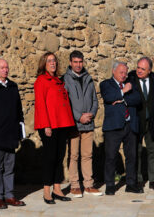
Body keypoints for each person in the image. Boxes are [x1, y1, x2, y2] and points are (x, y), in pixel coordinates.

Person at [0, 58, 26, 209]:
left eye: (6, 67)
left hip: (11, 134)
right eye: (2, 68)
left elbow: (18, 110)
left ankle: (9, 195)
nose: (5, 70)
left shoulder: (13, 86)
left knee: (9, 167)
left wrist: (20, 129)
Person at [34, 51, 76, 204]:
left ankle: (57, 188)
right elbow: (40, 104)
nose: (53, 63)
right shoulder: (41, 81)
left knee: (59, 157)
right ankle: (47, 190)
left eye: (54, 61)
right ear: (44, 64)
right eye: (49, 61)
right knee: (50, 158)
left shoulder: (58, 80)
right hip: (49, 125)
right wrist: (46, 125)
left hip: (61, 124)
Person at [63, 50, 102, 197]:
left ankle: (88, 185)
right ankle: (74, 185)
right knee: (74, 155)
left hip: (88, 123)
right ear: (70, 63)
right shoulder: (65, 79)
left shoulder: (88, 78)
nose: (78, 65)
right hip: (74, 124)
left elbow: (95, 100)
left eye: (80, 62)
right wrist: (79, 117)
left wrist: (91, 114)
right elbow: (66, 103)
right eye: (75, 62)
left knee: (87, 155)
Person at [100, 61, 143, 195]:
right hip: (114, 127)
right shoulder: (106, 84)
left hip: (130, 125)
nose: (124, 75)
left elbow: (138, 99)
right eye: (121, 72)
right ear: (113, 71)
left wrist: (122, 99)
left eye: (125, 73)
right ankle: (110, 185)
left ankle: (131, 184)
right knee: (111, 156)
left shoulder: (131, 84)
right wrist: (124, 91)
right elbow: (109, 97)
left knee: (131, 156)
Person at [127, 56, 154, 190]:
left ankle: (153, 180)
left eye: (143, 69)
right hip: (137, 121)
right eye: (138, 67)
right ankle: (138, 179)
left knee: (152, 151)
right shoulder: (131, 79)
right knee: (137, 151)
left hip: (152, 122)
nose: (139, 71)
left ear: (149, 70)